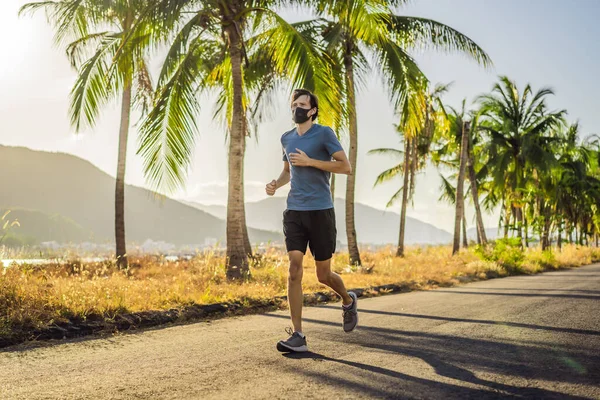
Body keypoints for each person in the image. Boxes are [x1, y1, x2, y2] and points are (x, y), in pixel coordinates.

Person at [265, 88, 358, 353]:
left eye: (303, 104)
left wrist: (311, 162)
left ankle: (347, 299)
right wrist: (276, 183)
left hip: (320, 211)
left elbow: (345, 166)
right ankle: (298, 335)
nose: (297, 107)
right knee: (294, 268)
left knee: (323, 275)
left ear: (313, 110)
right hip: (295, 210)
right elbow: (288, 171)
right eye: (294, 104)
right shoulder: (286, 138)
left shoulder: (324, 134)